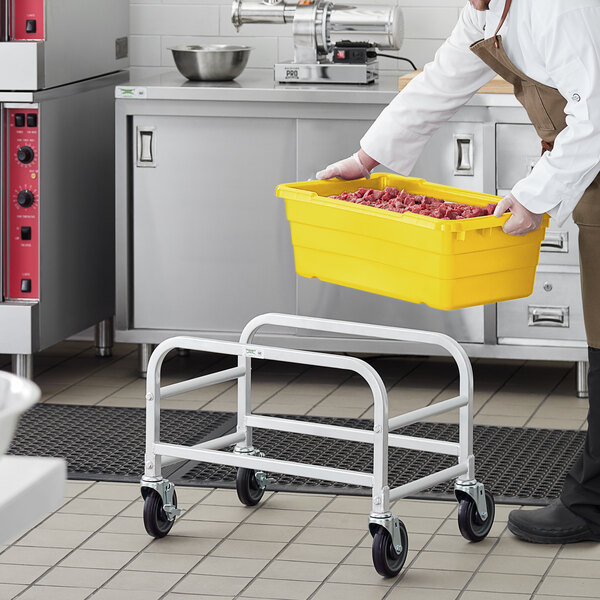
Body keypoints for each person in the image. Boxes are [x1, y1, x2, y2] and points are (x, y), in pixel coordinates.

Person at [317, 0, 600, 544]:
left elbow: (597, 109)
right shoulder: (487, 10)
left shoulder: (558, 7)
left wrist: (535, 197)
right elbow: (442, 80)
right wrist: (366, 159)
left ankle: (594, 502)